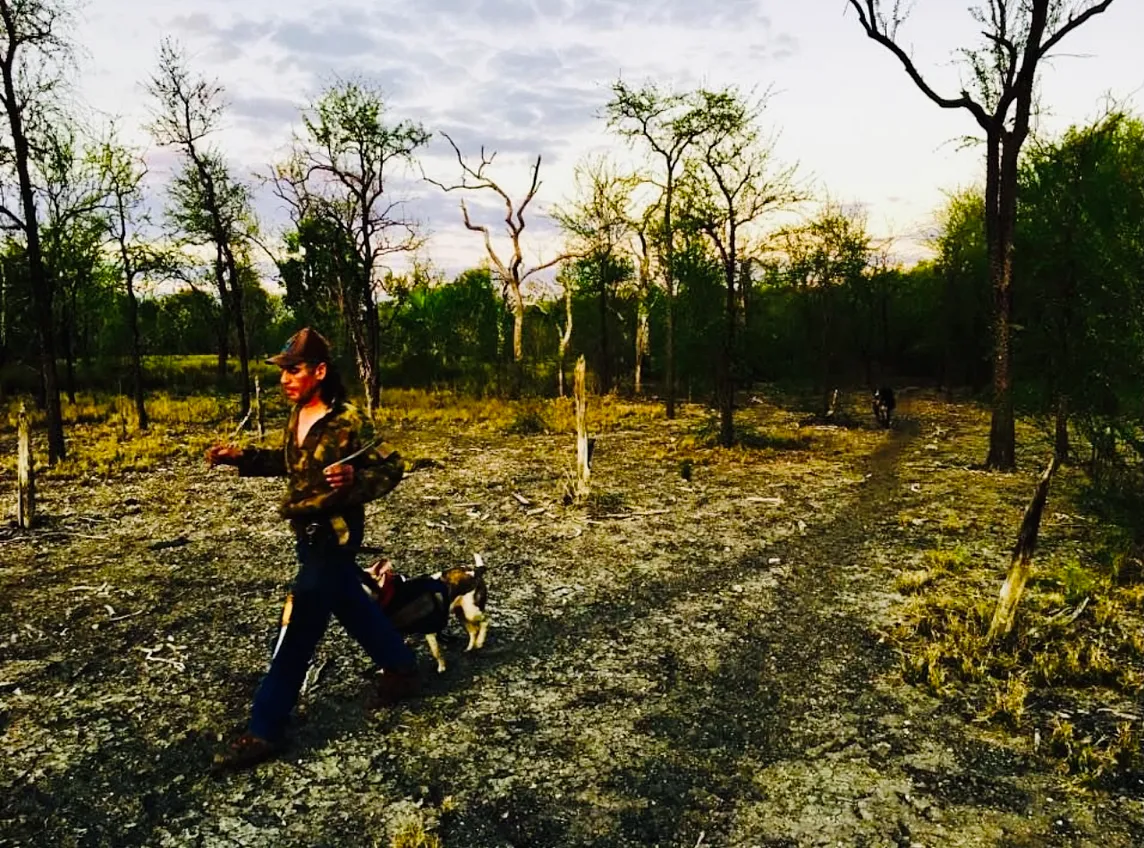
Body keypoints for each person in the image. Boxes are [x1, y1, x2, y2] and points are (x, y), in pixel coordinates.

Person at [206, 327, 420, 771]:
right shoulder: (298, 414)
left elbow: (394, 467)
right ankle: (401, 667)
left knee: (300, 621)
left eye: (294, 370)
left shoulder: (350, 420)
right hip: (305, 536)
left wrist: (356, 481)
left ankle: (264, 727)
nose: (285, 379)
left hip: (335, 534)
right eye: (283, 371)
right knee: (349, 602)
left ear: (319, 371)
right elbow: (291, 465)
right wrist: (240, 458)